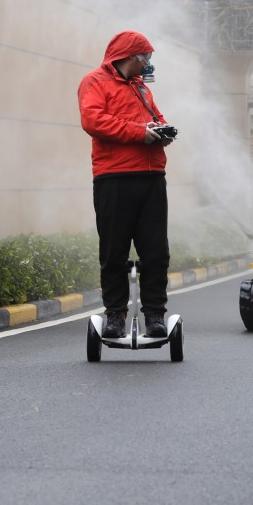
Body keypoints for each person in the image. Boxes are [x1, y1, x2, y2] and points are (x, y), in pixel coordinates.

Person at [78, 31, 174, 339]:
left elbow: (155, 117)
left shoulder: (141, 88)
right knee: (113, 252)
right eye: (145, 57)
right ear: (130, 56)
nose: (148, 63)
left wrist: (163, 130)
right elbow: (93, 121)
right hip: (114, 178)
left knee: (157, 252)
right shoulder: (94, 82)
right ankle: (115, 316)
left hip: (152, 178)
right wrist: (140, 133)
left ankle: (156, 315)